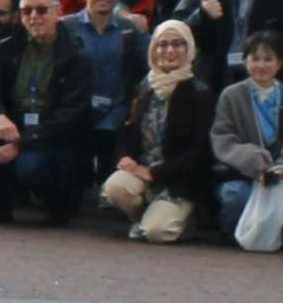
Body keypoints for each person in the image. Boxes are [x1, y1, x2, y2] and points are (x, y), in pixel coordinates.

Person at [95, 18, 223, 241]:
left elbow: (201, 150)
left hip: (179, 181)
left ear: (189, 48)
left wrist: (155, 173)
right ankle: (144, 218)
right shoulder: (145, 86)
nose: (169, 50)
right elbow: (126, 127)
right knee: (115, 187)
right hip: (142, 172)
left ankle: (177, 220)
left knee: (157, 233)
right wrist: (124, 156)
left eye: (177, 44)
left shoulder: (200, 93)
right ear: (153, 49)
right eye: (162, 44)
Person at [0, 0, 91, 224]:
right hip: (15, 123)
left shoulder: (76, 55)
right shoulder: (6, 48)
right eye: (27, 10)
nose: (33, 16)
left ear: (58, 12)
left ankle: (59, 205)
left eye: (41, 10)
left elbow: (70, 115)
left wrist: (21, 144)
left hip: (51, 134)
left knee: (30, 167)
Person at [212, 29, 283, 249]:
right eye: (255, 58)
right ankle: (233, 235)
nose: (261, 65)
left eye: (268, 59)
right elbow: (223, 139)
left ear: (279, 63)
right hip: (242, 174)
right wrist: (255, 162)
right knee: (234, 195)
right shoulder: (231, 95)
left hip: (279, 177)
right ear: (245, 61)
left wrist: (282, 169)